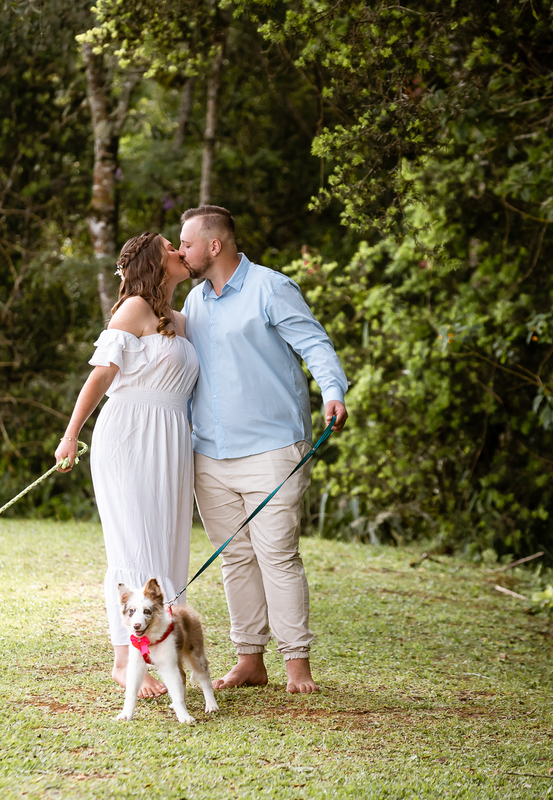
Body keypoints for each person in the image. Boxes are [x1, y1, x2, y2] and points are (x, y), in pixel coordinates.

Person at [178, 205, 348, 694]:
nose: (181, 251)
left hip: (273, 448)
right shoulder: (194, 302)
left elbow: (315, 344)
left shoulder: (271, 288)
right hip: (209, 454)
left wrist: (332, 391)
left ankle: (298, 666)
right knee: (236, 559)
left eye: (187, 243)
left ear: (216, 245)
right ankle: (250, 660)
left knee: (278, 556)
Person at [55, 232, 197, 698]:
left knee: (166, 549)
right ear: (155, 264)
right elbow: (100, 376)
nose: (179, 251)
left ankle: (161, 650)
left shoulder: (179, 318)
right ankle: (124, 661)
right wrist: (71, 434)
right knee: (133, 545)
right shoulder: (134, 308)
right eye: (169, 248)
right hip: (129, 436)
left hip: (172, 441)